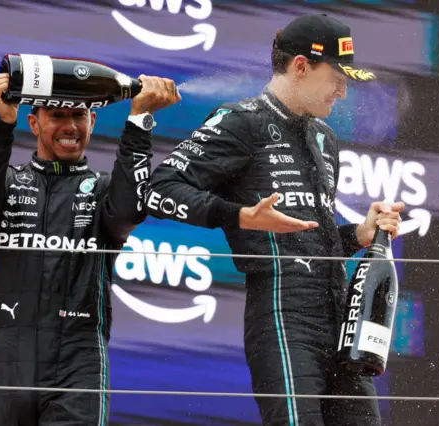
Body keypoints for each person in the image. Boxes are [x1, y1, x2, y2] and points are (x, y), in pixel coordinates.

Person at [146, 13, 405, 426]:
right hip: (283, 318)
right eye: (336, 77)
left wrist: (358, 234)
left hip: (340, 320)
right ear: (300, 67)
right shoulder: (240, 120)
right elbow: (157, 188)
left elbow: (307, 239)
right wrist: (239, 217)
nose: (343, 90)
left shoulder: (325, 138)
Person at [0, 70, 180, 426]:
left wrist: (139, 120)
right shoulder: (8, 182)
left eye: (78, 115)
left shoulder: (106, 189)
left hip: (79, 360)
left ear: (92, 120)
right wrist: (2, 124)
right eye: (56, 115)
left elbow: (130, 210)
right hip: (9, 356)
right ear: (33, 122)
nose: (69, 126)